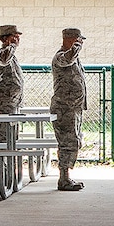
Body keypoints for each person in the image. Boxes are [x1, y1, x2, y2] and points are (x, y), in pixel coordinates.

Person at [49, 28, 88, 191]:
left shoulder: (74, 57)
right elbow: (67, 59)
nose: (81, 43)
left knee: (73, 141)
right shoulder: (61, 56)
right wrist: (75, 48)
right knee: (67, 143)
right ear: (71, 39)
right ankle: (63, 179)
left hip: (73, 108)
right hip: (64, 108)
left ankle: (66, 177)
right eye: (79, 40)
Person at [0, 23, 24, 158]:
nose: (17, 40)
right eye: (14, 37)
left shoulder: (12, 55)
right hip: (4, 103)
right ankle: (2, 172)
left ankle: (11, 170)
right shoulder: (2, 53)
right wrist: (11, 45)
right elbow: (4, 59)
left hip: (12, 103)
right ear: (6, 39)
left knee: (13, 139)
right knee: (3, 140)